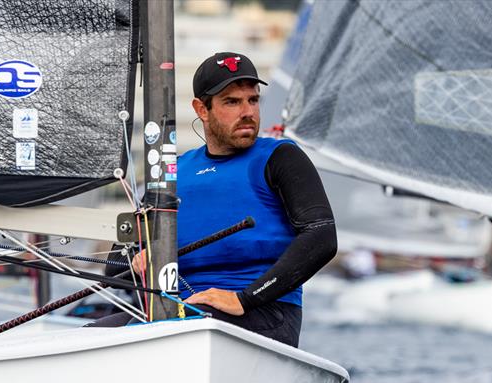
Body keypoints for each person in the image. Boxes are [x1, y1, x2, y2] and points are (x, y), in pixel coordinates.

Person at [90, 52, 337, 348]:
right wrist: (138, 260)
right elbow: (115, 267)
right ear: (201, 109)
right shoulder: (174, 170)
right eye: (232, 102)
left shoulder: (280, 157)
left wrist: (244, 298)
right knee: (83, 338)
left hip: (263, 312)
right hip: (177, 313)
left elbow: (322, 236)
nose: (247, 111)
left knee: (169, 328)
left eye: (253, 100)